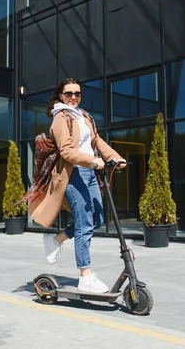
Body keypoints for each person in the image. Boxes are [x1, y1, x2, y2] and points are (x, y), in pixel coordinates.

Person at [41, 78, 126, 293]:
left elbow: (97, 142)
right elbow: (66, 152)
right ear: (61, 95)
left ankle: (57, 239)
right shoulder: (60, 118)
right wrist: (92, 161)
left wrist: (116, 158)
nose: (73, 97)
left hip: (89, 172)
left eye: (77, 94)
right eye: (68, 94)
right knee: (84, 222)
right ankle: (85, 276)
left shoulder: (84, 116)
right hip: (72, 174)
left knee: (96, 217)